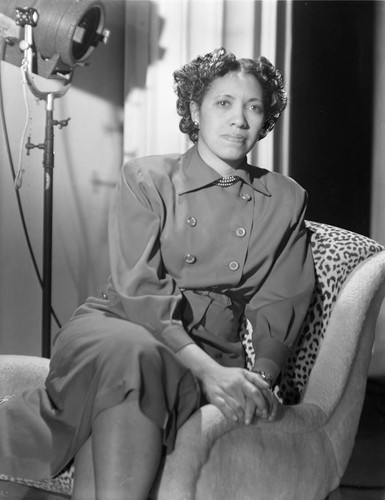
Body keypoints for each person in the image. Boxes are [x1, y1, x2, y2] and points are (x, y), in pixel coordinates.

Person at [0, 47, 315, 499]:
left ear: (265, 118)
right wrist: (206, 371)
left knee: (133, 372)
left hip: (210, 347)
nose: (238, 120)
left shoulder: (285, 197)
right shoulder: (146, 177)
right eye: (223, 103)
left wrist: (259, 377)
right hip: (117, 324)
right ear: (194, 110)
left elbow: (284, 297)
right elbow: (138, 287)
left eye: (253, 107)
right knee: (133, 353)